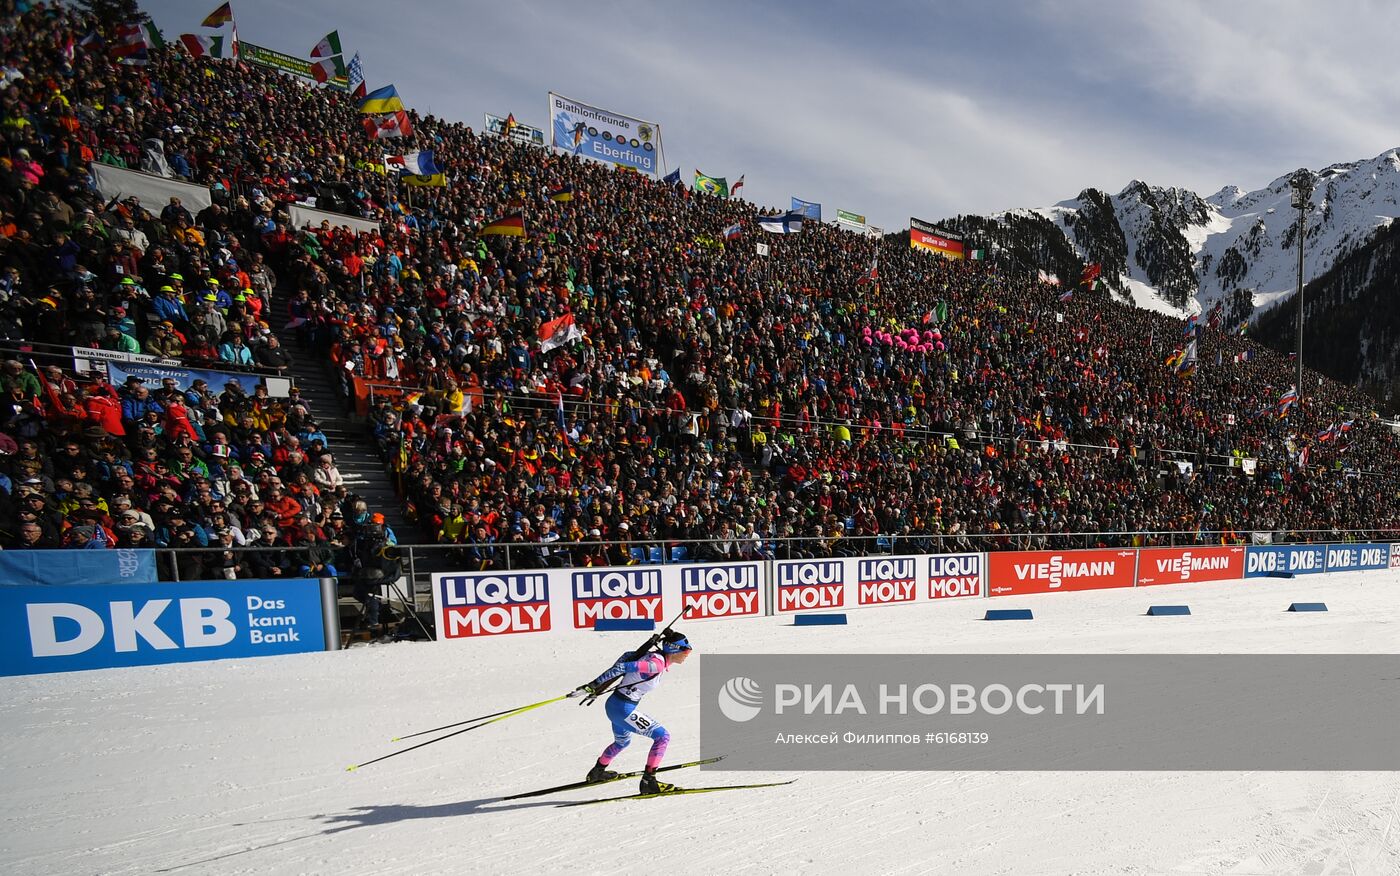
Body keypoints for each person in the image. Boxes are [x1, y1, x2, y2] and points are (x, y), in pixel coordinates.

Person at [571, 631, 694, 794]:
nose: (687, 654)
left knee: (622, 742)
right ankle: (649, 781)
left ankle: (597, 772)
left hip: (615, 705)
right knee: (662, 737)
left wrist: (598, 687)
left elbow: (627, 656)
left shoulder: (654, 657)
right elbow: (622, 667)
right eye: (686, 650)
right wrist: (594, 685)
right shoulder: (655, 665)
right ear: (673, 650)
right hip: (623, 709)